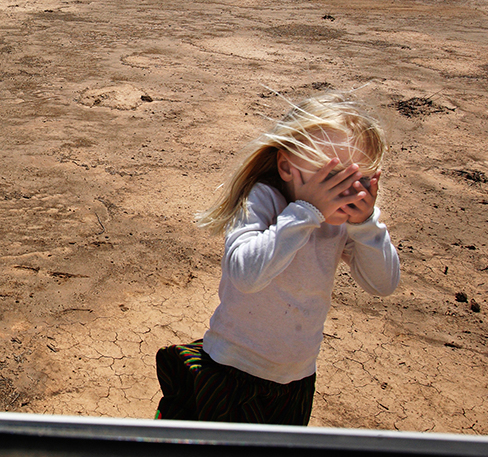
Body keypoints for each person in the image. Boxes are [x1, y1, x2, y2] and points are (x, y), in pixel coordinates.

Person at [155, 91, 400, 425]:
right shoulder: (264, 201)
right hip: (233, 370)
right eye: (330, 177)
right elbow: (245, 275)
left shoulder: (344, 220)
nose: (342, 192)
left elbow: (382, 284)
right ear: (287, 166)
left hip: (296, 379)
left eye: (356, 179)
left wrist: (366, 224)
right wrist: (305, 212)